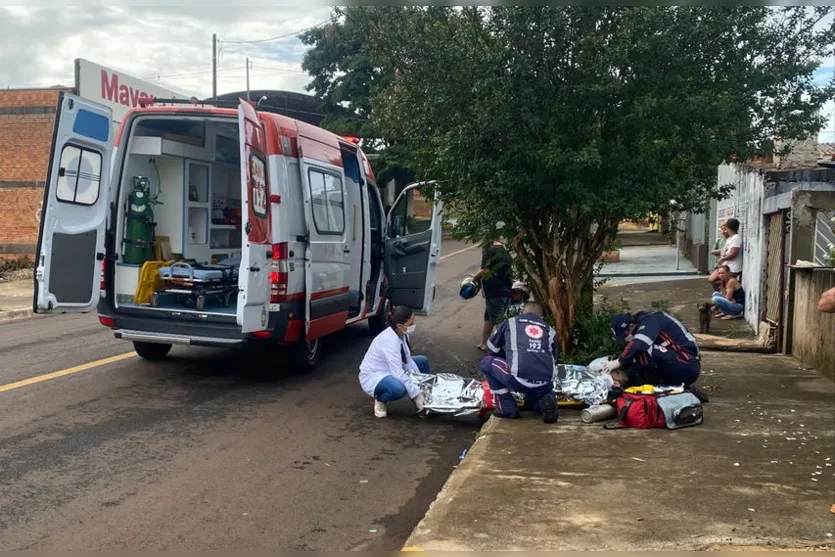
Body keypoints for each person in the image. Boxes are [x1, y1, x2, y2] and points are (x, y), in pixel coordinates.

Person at [479, 302, 560, 424]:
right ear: (541, 317)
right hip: (544, 383)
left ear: (522, 313)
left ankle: (508, 409)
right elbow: (553, 359)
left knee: (486, 363)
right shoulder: (550, 331)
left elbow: (491, 348)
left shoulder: (511, 323)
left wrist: (507, 359)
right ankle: (547, 400)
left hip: (518, 378)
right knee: (533, 403)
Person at [358, 305, 429, 418]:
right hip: (375, 375)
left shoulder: (402, 333)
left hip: (393, 367)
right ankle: (380, 399)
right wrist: (415, 395)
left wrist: (419, 387)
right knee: (398, 389)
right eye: (410, 324)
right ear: (400, 326)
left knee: (422, 362)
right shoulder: (389, 341)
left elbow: (407, 360)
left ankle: (424, 400)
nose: (413, 325)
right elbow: (398, 372)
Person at [603, 310, 701, 389]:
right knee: (636, 353)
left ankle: (653, 386)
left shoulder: (652, 320)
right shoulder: (646, 326)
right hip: (677, 363)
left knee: (642, 348)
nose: (626, 339)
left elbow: (640, 344)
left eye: (625, 335)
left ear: (632, 326)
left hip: (687, 364)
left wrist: (619, 361)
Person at [474, 239, 513, 352]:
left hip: (495, 292)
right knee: (489, 318)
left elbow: (486, 271)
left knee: (498, 321)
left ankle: (506, 349)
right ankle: (483, 343)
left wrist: (475, 278)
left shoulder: (489, 251)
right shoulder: (505, 252)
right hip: (506, 291)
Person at [707, 221, 729, 289]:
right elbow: (712, 251)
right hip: (718, 264)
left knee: (718, 280)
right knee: (712, 281)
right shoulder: (719, 240)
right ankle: (717, 293)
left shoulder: (730, 240)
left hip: (726, 265)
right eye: (721, 229)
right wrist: (721, 250)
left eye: (724, 229)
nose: (722, 231)